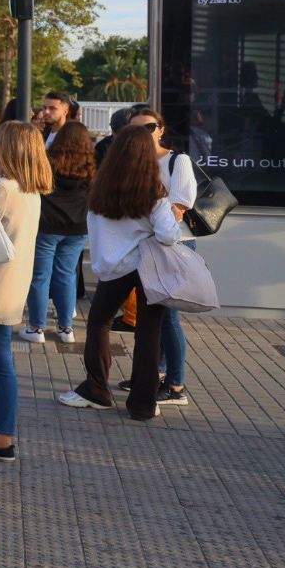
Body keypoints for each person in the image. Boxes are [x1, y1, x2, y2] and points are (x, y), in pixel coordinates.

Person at [57, 126, 181, 420]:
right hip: (148, 266)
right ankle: (142, 403)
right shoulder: (154, 193)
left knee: (99, 322)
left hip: (113, 268)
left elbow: (96, 230)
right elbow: (169, 236)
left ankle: (96, 389)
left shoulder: (100, 189)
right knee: (149, 332)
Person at [0, 122, 50, 465]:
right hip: (12, 286)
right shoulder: (30, 190)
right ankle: (4, 436)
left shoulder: (2, 189)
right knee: (1, 362)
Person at [127, 107, 197, 407]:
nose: (145, 133)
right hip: (146, 243)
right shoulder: (133, 162)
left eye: (150, 126)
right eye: (137, 128)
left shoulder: (177, 161)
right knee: (153, 314)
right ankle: (153, 374)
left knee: (168, 316)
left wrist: (155, 211)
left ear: (161, 129)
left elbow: (182, 203)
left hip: (174, 243)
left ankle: (177, 384)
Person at [23, 122, 93, 344]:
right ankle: (66, 328)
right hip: (78, 227)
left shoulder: (47, 161)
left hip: (47, 224)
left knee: (40, 276)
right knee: (66, 275)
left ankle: (37, 328)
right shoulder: (91, 165)